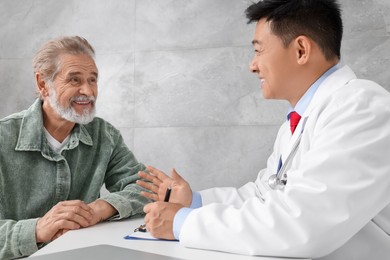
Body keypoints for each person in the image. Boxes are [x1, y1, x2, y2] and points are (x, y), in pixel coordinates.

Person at [136, 0, 390, 259]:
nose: (252, 65)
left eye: (259, 51)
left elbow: (303, 225)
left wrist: (184, 223)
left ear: (301, 50)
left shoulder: (363, 108)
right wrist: (194, 202)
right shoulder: (300, 120)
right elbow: (264, 195)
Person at [0, 36, 150, 259]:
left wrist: (97, 210)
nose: (88, 91)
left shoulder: (104, 135)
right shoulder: (3, 138)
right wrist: (38, 229)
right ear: (43, 84)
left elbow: (146, 188)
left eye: (93, 80)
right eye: (74, 80)